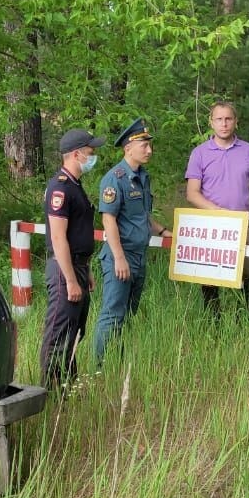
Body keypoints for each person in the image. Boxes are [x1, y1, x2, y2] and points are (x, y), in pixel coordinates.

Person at [93, 118, 172, 364]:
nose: (149, 150)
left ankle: (117, 362)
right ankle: (101, 368)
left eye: (150, 145)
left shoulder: (142, 177)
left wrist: (163, 231)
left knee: (128, 314)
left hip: (139, 257)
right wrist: (119, 258)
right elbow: (109, 221)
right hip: (121, 256)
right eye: (144, 146)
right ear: (128, 147)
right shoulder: (114, 179)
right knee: (112, 314)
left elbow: (142, 215)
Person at [185, 101, 249, 315]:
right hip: (210, 225)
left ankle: (246, 319)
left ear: (235, 121)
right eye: (219, 119)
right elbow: (192, 193)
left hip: (243, 224)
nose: (224, 124)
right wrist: (218, 212)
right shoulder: (200, 153)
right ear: (211, 122)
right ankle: (212, 323)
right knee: (209, 279)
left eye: (228, 119)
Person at [40, 127, 105, 389]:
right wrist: (70, 280)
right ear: (76, 154)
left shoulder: (76, 186)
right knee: (58, 334)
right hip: (63, 270)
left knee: (75, 332)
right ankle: (52, 391)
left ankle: (68, 385)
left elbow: (79, 232)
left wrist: (85, 270)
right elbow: (58, 239)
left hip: (78, 266)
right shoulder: (60, 187)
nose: (93, 157)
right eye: (90, 152)